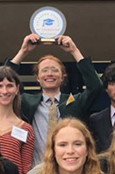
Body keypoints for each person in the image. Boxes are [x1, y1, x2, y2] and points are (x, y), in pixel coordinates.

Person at [6, 34, 103, 165]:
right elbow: (3, 81)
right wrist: (23, 52)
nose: (50, 74)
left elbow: (95, 86)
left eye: (54, 70)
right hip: (37, 170)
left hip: (69, 169)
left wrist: (74, 50)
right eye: (44, 70)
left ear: (63, 77)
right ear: (38, 78)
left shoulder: (75, 102)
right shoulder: (26, 102)